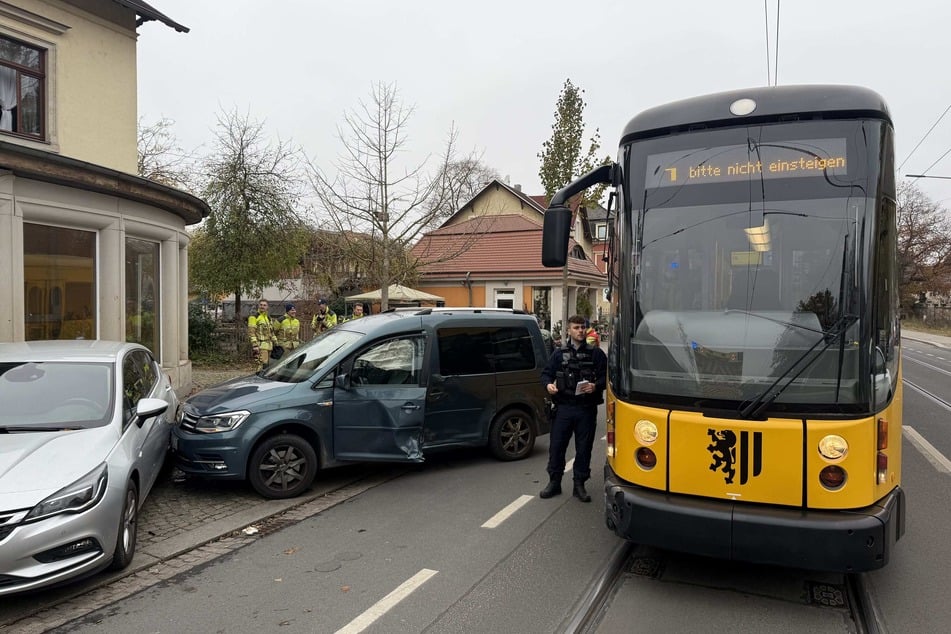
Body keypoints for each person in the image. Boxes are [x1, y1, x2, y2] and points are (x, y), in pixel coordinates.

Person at [539, 314, 607, 502]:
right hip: (563, 409)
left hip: (586, 409)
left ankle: (579, 484)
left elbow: (606, 378)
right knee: (557, 447)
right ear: (569, 330)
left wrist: (595, 386)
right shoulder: (559, 354)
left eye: (582, 327)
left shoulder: (596, 354)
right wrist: (548, 386)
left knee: (584, 448)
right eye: (576, 328)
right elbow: (545, 374)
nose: (580, 331)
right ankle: (554, 482)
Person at [248, 299, 278, 371]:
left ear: (267, 307)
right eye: (261, 305)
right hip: (260, 345)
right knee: (262, 365)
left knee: (268, 366)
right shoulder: (254, 317)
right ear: (258, 306)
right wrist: (255, 345)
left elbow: (271, 331)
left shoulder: (268, 318)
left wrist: (276, 342)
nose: (262, 306)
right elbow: (251, 332)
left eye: (264, 305)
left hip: (269, 345)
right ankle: (259, 380)